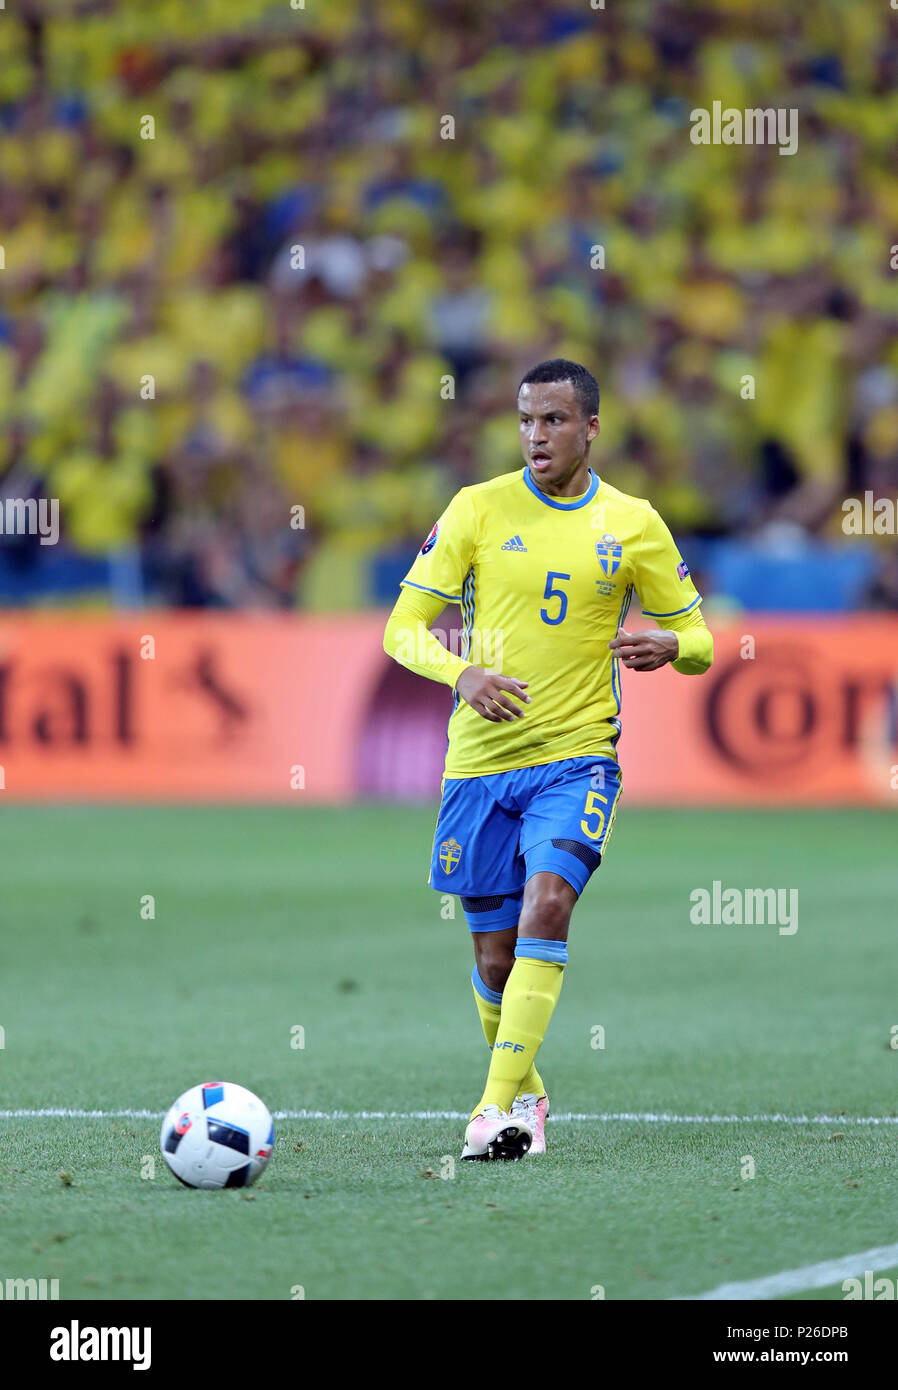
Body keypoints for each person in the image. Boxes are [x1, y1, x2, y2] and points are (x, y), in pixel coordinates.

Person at [383, 359, 713, 1160]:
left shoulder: (634, 522)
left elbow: (702, 643)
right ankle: (528, 1094)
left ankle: (493, 1110)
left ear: (591, 428)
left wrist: (675, 644)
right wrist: (463, 673)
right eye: (527, 420)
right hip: (480, 766)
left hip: (578, 760)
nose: (537, 436)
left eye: (555, 421)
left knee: (551, 903)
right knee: (494, 957)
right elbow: (402, 627)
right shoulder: (476, 509)